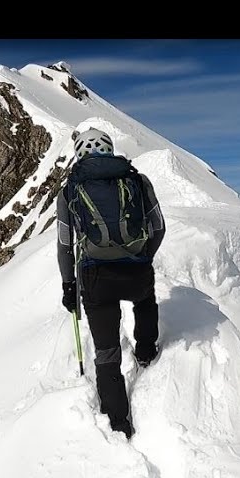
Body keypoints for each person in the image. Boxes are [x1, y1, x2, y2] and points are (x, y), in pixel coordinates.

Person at [57, 127, 166, 439]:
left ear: (79, 154)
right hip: (136, 269)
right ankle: (145, 350)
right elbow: (158, 227)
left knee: (106, 352)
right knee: (145, 302)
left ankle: (118, 422)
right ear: (109, 148)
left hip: (94, 278)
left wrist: (69, 284)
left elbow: (65, 243)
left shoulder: (70, 189)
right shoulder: (137, 179)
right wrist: (144, 255)